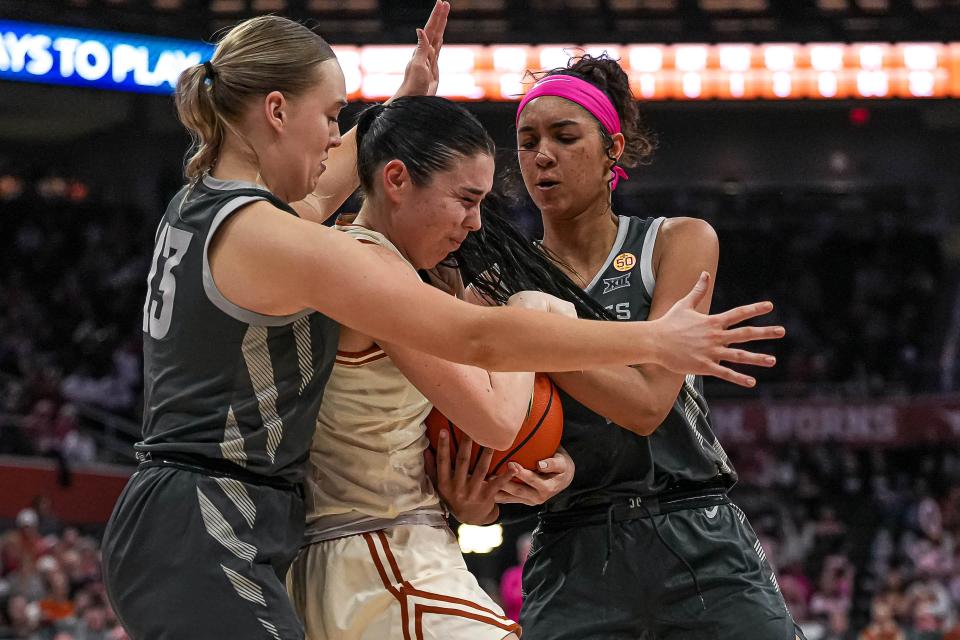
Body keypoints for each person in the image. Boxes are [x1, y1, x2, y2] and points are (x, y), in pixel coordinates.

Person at [100, 9, 783, 639]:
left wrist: (404, 101)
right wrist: (648, 338)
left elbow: (341, 178)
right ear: (276, 111)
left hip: (212, 515)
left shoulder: (212, 209)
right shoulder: (283, 236)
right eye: (332, 114)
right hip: (222, 518)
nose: (338, 135)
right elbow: (475, 340)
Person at [487, 53, 804, 640]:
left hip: (696, 533)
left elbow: (645, 405)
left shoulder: (677, 241)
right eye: (527, 141)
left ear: (613, 148)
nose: (541, 155)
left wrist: (524, 334)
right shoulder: (506, 277)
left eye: (564, 136)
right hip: (569, 543)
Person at [286, 96, 579, 640]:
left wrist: (508, 481)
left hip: (372, 558)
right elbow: (498, 420)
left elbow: (481, 429)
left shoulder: (381, 264)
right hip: (379, 559)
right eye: (465, 200)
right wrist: (529, 308)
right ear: (396, 179)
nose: (474, 223)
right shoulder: (369, 270)